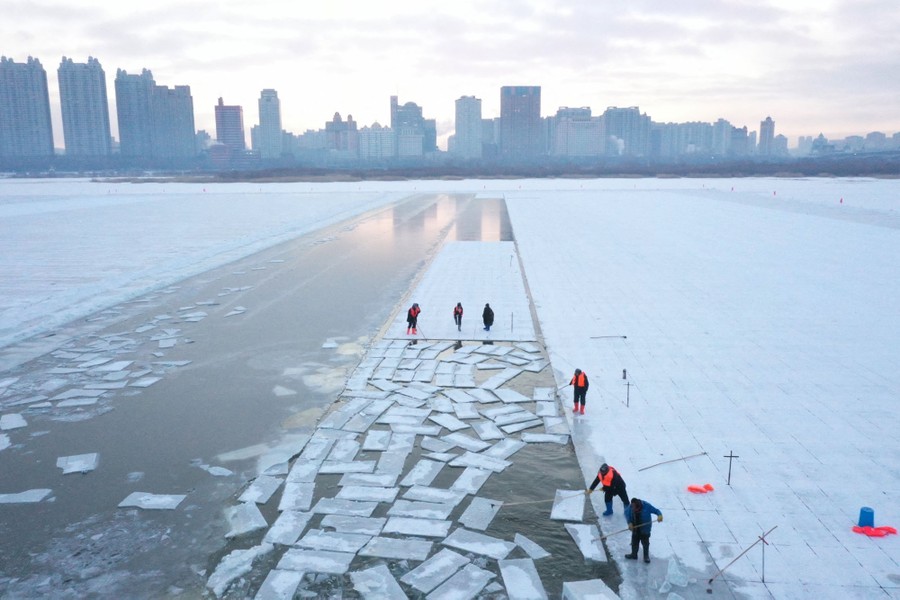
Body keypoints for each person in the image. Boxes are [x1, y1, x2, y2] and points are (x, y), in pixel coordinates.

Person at [623, 498, 662, 563]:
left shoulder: (647, 506)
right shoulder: (631, 507)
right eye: (632, 508)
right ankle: (634, 555)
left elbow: (656, 511)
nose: (633, 509)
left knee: (645, 543)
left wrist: (660, 515)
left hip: (645, 529)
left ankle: (646, 556)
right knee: (634, 542)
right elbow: (627, 513)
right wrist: (629, 522)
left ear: (639, 507)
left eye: (635, 509)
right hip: (635, 528)